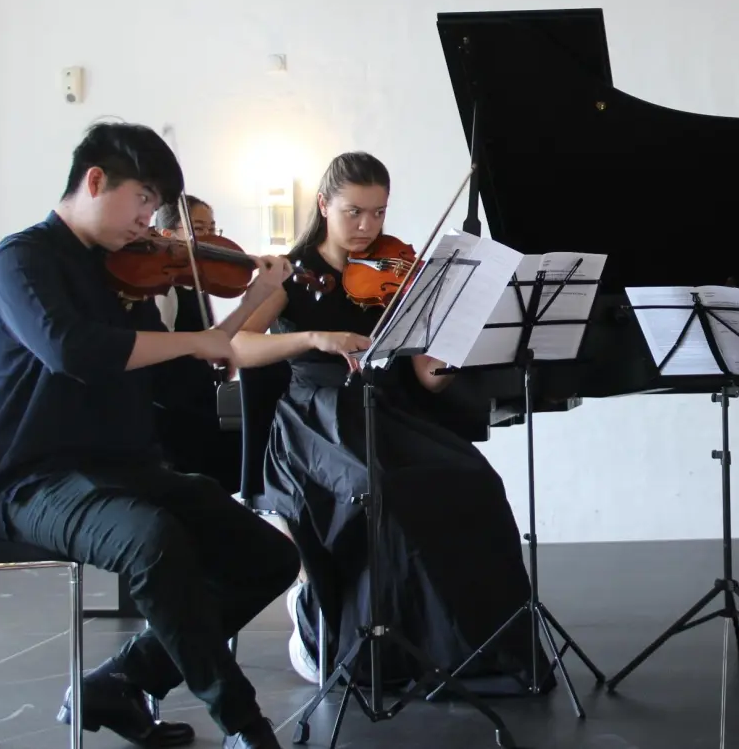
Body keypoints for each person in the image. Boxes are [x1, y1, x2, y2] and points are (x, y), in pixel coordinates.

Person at [0, 122, 300, 749]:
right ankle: (245, 723)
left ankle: (122, 679)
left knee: (270, 557)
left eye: (155, 205)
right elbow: (74, 351)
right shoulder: (21, 260)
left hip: (128, 469)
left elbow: (184, 373)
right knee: (153, 543)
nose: (149, 220)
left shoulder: (126, 274)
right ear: (95, 181)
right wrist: (192, 341)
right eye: (143, 199)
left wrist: (248, 304)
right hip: (37, 479)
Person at [230, 151, 546, 694]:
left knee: (475, 483)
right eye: (355, 212)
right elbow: (235, 346)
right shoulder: (293, 273)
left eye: (378, 213)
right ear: (324, 204)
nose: (368, 227)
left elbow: (426, 376)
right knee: (383, 495)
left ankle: (473, 652)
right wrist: (312, 338)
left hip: (387, 412)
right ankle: (327, 635)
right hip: (316, 419)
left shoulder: (397, 272)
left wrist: (445, 363)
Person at [147, 194, 243, 492]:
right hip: (174, 410)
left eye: (214, 228)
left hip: (198, 397)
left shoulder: (196, 281)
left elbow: (208, 339)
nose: (211, 238)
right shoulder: (165, 288)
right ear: (166, 235)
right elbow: (160, 349)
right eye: (199, 228)